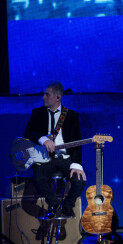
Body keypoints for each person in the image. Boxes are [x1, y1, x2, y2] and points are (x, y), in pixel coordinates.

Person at [24, 81, 86, 219]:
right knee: (39, 178)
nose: (43, 97)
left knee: (79, 180)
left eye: (47, 94)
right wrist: (43, 139)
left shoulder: (71, 115)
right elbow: (28, 132)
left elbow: (77, 142)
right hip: (46, 158)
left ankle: (68, 206)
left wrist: (77, 165)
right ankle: (53, 204)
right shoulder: (37, 113)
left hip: (65, 158)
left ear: (58, 97)